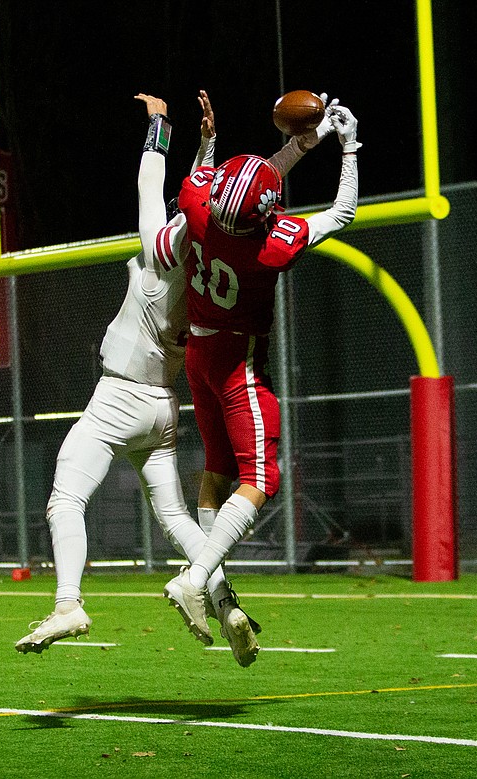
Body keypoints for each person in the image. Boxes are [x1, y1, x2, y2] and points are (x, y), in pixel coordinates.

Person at [15, 91, 263, 666]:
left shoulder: (159, 255)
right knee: (174, 516)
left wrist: (159, 125)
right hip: (163, 408)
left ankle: (68, 602)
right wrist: (208, 146)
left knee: (64, 499)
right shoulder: (213, 269)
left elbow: (152, 183)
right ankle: (225, 603)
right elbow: (204, 205)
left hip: (120, 397)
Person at [156, 100, 361, 643]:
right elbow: (343, 212)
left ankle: (221, 600)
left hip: (197, 357)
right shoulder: (270, 246)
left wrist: (285, 145)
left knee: (216, 472)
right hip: (237, 364)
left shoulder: (200, 211)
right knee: (262, 478)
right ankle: (197, 578)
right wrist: (350, 146)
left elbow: (217, 179)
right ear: (265, 216)